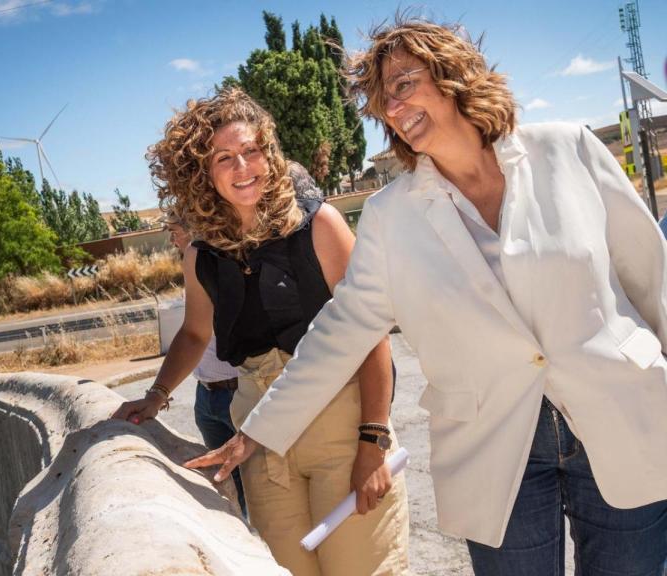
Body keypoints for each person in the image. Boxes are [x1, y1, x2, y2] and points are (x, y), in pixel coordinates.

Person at [185, 17, 667, 576]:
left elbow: (650, 278)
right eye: (382, 101)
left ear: (454, 75)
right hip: (494, 445)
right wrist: (256, 431)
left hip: (621, 418)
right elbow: (341, 331)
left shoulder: (569, 150)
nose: (392, 108)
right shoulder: (391, 216)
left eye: (404, 84)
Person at [113, 88, 410, 576]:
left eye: (251, 150)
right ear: (202, 174)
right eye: (224, 158)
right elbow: (194, 333)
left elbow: (372, 333)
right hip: (259, 438)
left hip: (343, 422)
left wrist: (373, 441)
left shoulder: (320, 225)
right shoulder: (201, 255)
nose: (242, 167)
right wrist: (156, 395)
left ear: (269, 153)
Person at [161, 209, 246, 516]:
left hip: (239, 393)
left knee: (257, 486)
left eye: (175, 232)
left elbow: (196, 334)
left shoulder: (226, 266)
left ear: (194, 228)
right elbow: (194, 334)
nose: (173, 241)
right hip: (207, 396)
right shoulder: (194, 269)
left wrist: (157, 393)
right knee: (228, 486)